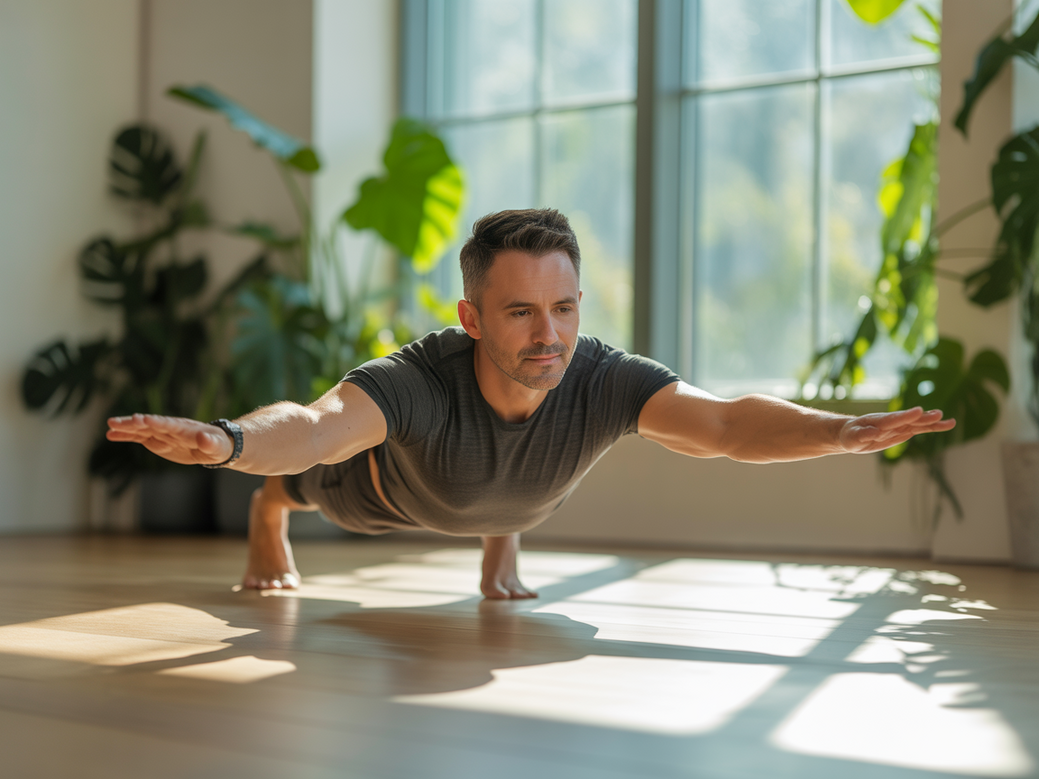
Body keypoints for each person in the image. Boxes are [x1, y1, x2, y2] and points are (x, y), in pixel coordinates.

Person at [107, 209, 955, 599]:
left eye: (563, 306)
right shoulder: (419, 378)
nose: (548, 334)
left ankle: (500, 537)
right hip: (394, 491)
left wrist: (838, 431)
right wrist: (225, 442)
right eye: (518, 312)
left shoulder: (600, 375)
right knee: (315, 480)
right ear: (472, 317)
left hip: (510, 491)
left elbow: (727, 424)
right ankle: (269, 514)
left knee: (509, 484)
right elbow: (318, 426)